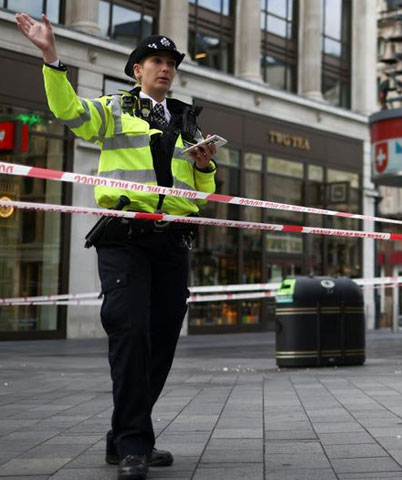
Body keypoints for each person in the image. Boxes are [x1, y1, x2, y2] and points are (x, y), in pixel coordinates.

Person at [16, 13, 218, 479]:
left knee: (162, 343)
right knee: (129, 334)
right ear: (137, 70)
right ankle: (133, 445)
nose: (165, 68)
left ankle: (123, 436)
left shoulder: (187, 120)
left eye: (170, 62)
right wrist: (51, 55)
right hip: (124, 237)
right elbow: (69, 112)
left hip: (172, 240)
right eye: (155, 61)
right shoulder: (113, 108)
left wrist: (205, 167)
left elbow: (201, 192)